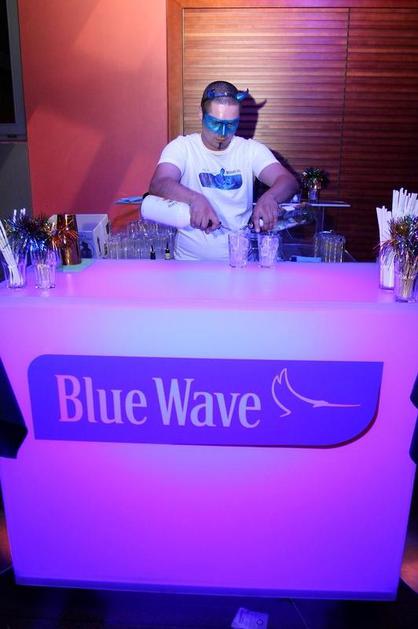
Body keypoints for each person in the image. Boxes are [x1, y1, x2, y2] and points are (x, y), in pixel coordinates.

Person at [148, 80, 298, 261]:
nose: (223, 132)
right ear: (201, 114)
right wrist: (195, 199)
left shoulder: (250, 150)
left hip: (240, 263)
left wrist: (269, 198)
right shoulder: (182, 147)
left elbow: (288, 181)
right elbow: (159, 183)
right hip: (188, 264)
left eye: (231, 124)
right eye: (215, 123)